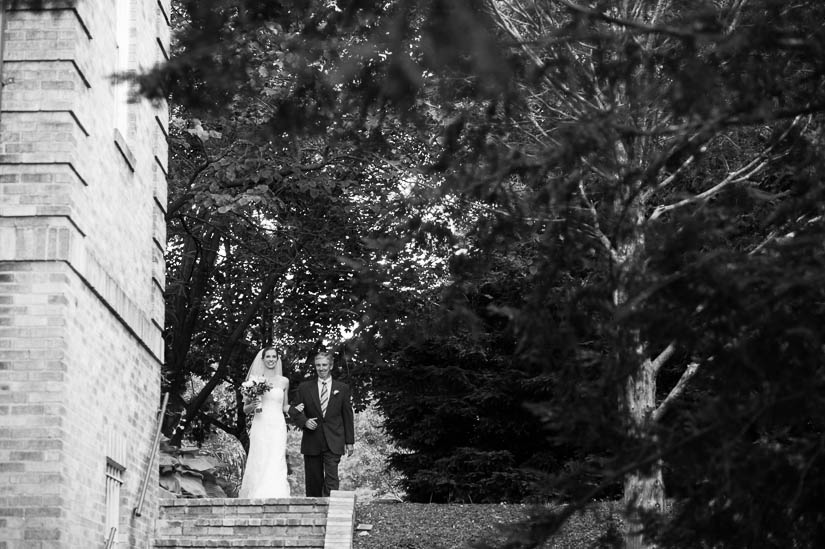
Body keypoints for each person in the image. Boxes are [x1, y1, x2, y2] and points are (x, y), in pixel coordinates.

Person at [289, 352, 355, 497]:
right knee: (314, 481)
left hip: (334, 439)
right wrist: (304, 421)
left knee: (332, 479)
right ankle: (314, 513)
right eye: (318, 365)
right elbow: (293, 410)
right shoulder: (305, 388)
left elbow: (347, 415)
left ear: (330, 366)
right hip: (312, 440)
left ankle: (330, 510)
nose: (321, 368)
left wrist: (350, 442)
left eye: (324, 365)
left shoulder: (342, 388)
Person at [238, 346, 295, 498]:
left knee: (277, 456)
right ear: (262, 359)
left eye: (273, 357)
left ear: (277, 359)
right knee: (261, 456)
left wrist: (297, 410)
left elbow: (285, 406)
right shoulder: (254, 381)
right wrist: (253, 404)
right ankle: (258, 493)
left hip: (278, 423)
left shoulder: (284, 381)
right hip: (260, 422)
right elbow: (245, 409)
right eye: (268, 357)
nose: (271, 359)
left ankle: (277, 493)